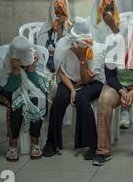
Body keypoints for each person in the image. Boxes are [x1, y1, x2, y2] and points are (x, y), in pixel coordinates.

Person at [92, 18, 133, 166]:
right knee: (105, 100)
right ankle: (103, 149)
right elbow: (110, 76)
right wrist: (122, 91)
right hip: (118, 84)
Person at [42, 18, 105, 160]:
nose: (81, 45)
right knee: (59, 100)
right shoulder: (63, 46)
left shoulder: (95, 50)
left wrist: (82, 59)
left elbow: (88, 79)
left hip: (93, 82)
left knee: (81, 98)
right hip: (69, 80)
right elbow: (60, 71)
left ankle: (93, 144)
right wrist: (71, 89)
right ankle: (51, 142)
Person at [0, 36, 47, 161]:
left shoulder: (35, 53)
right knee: (17, 102)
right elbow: (9, 88)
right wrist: (15, 70)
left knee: (37, 98)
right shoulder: (0, 57)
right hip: (2, 87)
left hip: (27, 85)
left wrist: (31, 66)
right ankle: (13, 144)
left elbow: (35, 84)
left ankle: (35, 142)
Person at [38, 0, 73, 72]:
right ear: (52, 13)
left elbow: (68, 50)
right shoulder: (45, 30)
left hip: (65, 63)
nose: (60, 16)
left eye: (63, 13)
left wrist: (60, 29)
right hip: (48, 64)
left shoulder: (69, 29)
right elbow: (40, 51)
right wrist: (52, 53)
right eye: (57, 13)